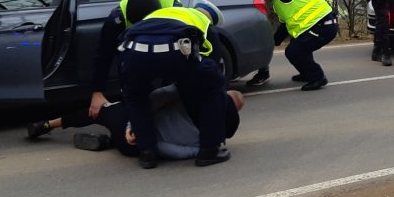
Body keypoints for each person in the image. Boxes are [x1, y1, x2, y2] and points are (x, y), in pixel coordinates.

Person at [176, 0, 338, 91]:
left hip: (324, 26)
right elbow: (286, 23)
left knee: (294, 51)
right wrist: (275, 40)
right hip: (319, 25)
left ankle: (317, 77)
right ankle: (307, 72)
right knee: (299, 47)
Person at [119, 0, 230, 169]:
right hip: (176, 51)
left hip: (134, 51)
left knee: (134, 96)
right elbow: (212, 63)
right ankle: (209, 151)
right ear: (211, 19)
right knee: (213, 85)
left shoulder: (161, 14)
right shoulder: (203, 23)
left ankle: (147, 153)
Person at [26, 87, 244, 161]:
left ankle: (48, 125)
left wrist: (135, 123)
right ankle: (109, 142)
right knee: (121, 134)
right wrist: (149, 145)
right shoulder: (213, 137)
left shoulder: (195, 95)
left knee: (98, 112)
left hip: (128, 122)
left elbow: (159, 96)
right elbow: (176, 152)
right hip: (135, 149)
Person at [83, 0, 182, 119]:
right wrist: (97, 92)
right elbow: (103, 55)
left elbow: (184, 59)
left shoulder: (175, 14)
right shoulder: (117, 19)